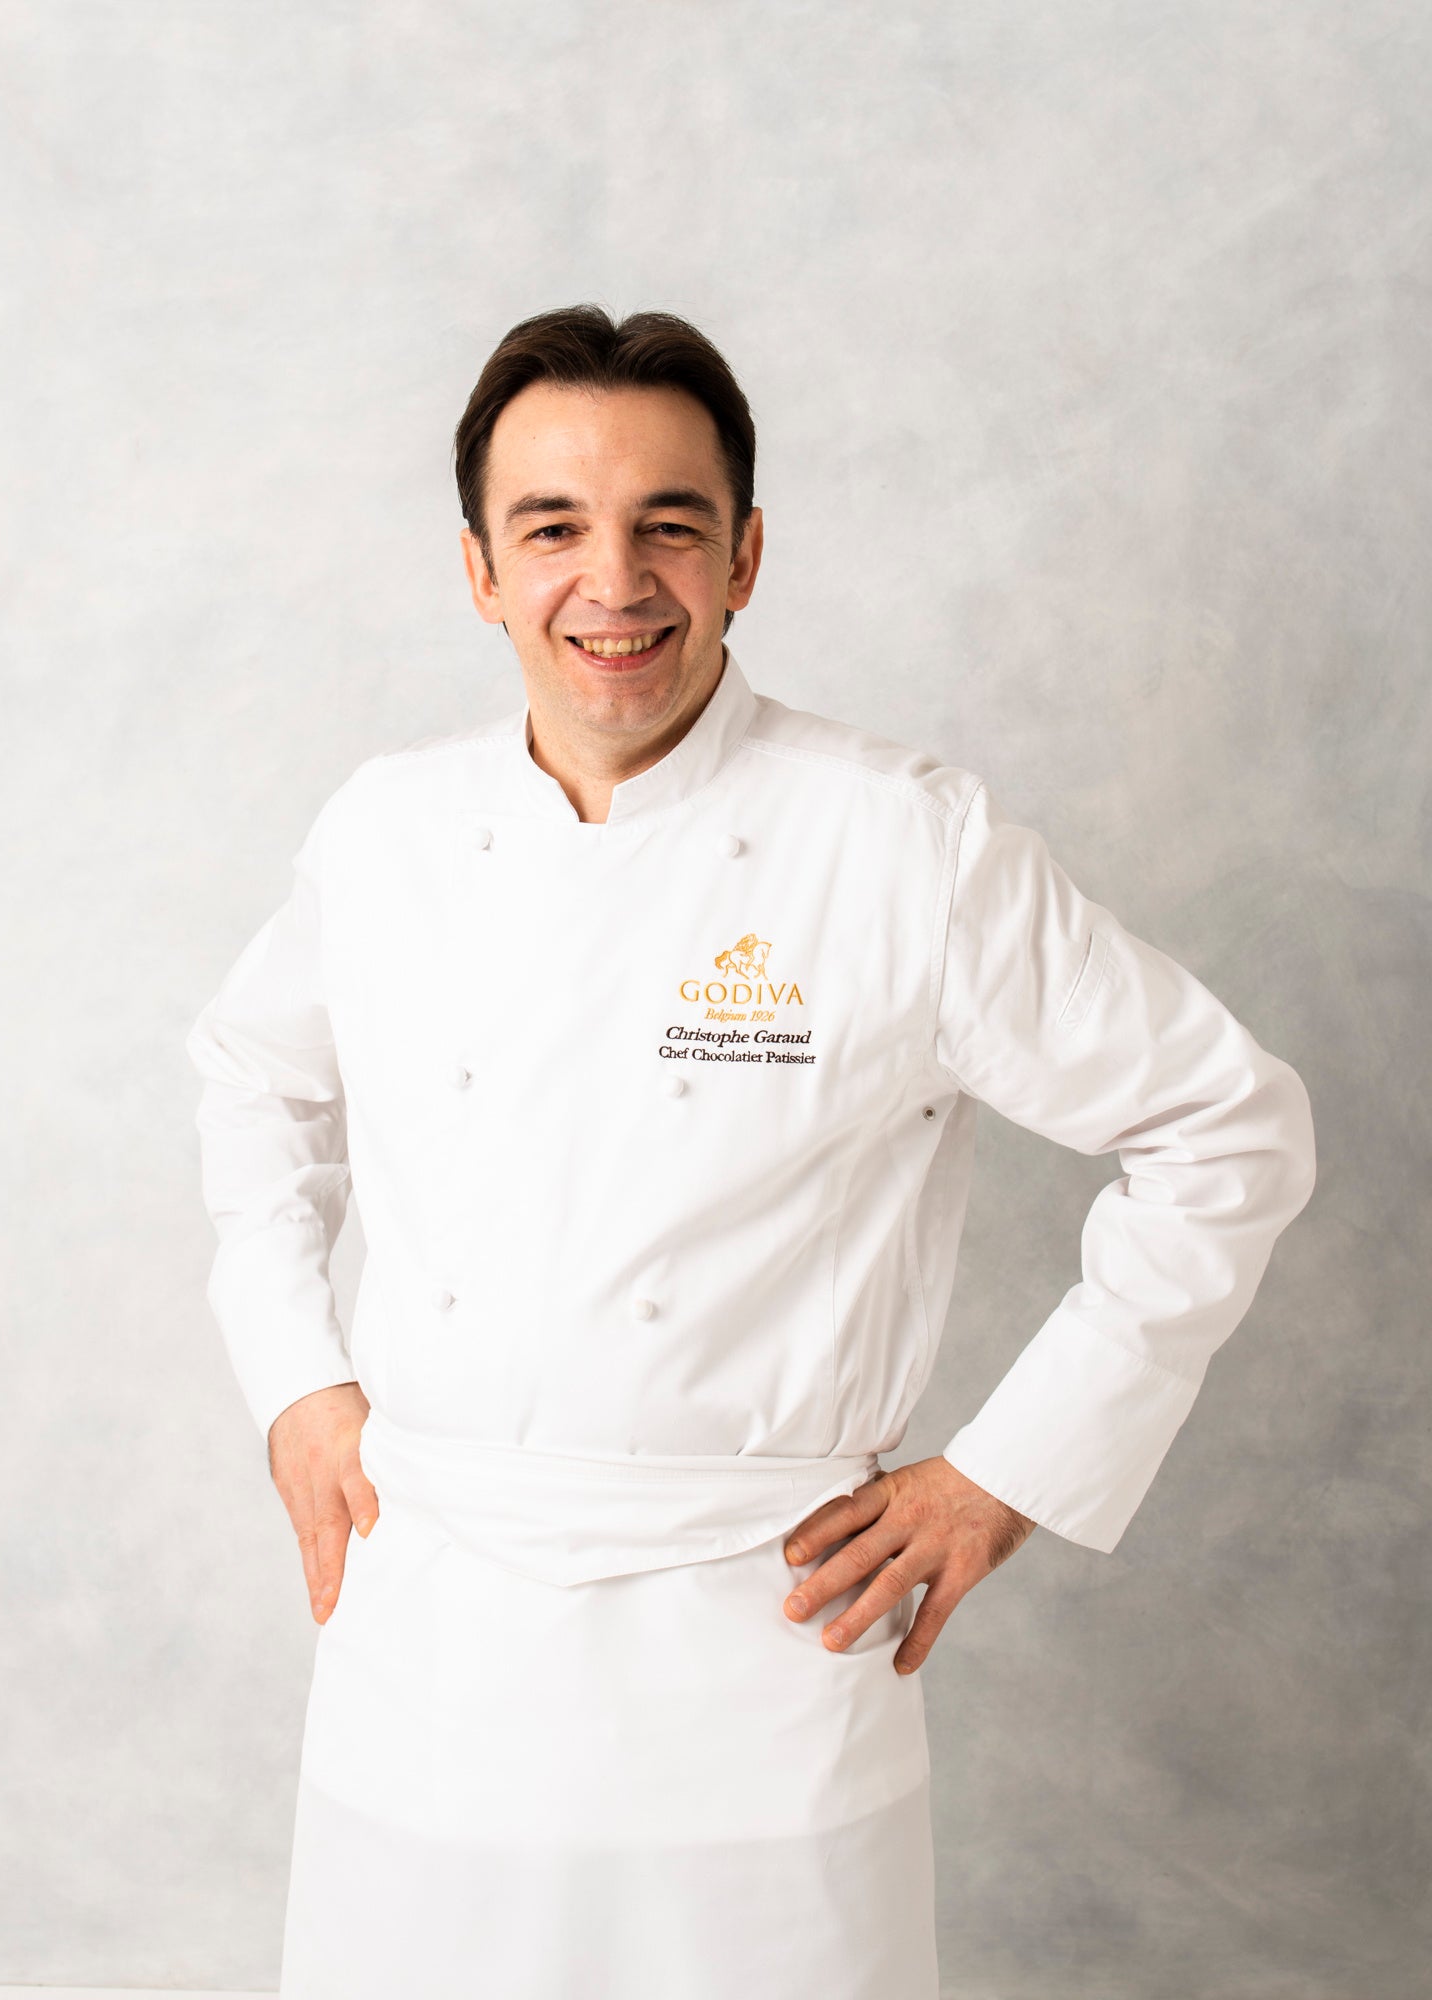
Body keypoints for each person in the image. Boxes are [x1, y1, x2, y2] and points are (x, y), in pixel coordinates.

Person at [185, 304, 1317, 2000]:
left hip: (758, 1651)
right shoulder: (387, 832)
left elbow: (1228, 1124)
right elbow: (252, 1077)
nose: (614, 582)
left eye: (670, 525)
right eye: (552, 529)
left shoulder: (900, 845)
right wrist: (295, 1378)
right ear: (479, 571)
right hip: (430, 1650)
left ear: (747, 556)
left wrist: (1012, 1470)